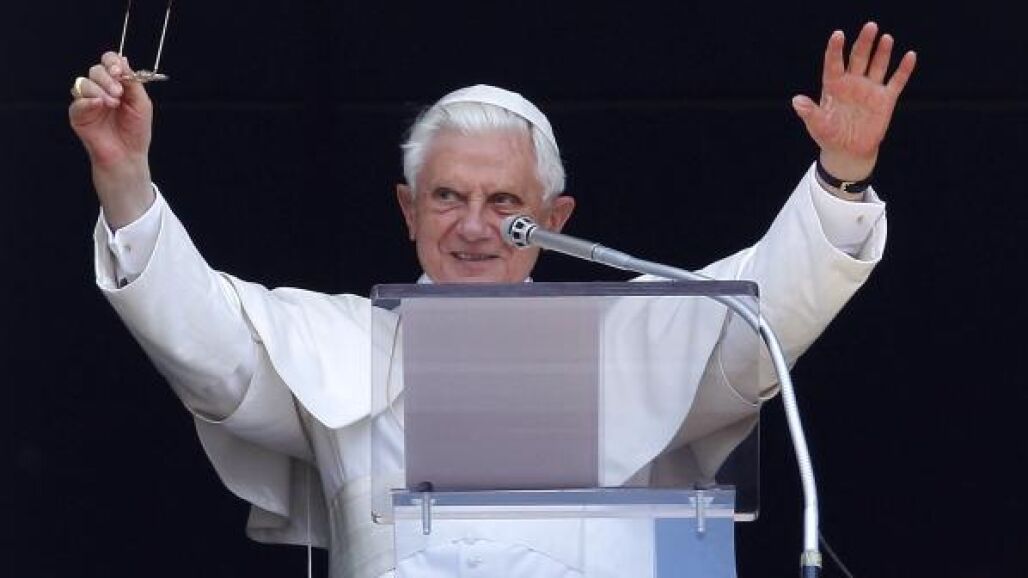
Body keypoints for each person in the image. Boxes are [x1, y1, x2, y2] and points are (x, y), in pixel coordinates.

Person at [69, 21, 915, 578]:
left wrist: (841, 177)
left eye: (504, 202)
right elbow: (208, 348)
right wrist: (125, 177)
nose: (474, 226)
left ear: (556, 219)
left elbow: (762, 311)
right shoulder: (336, 344)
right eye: (447, 197)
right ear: (408, 211)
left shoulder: (635, 342)